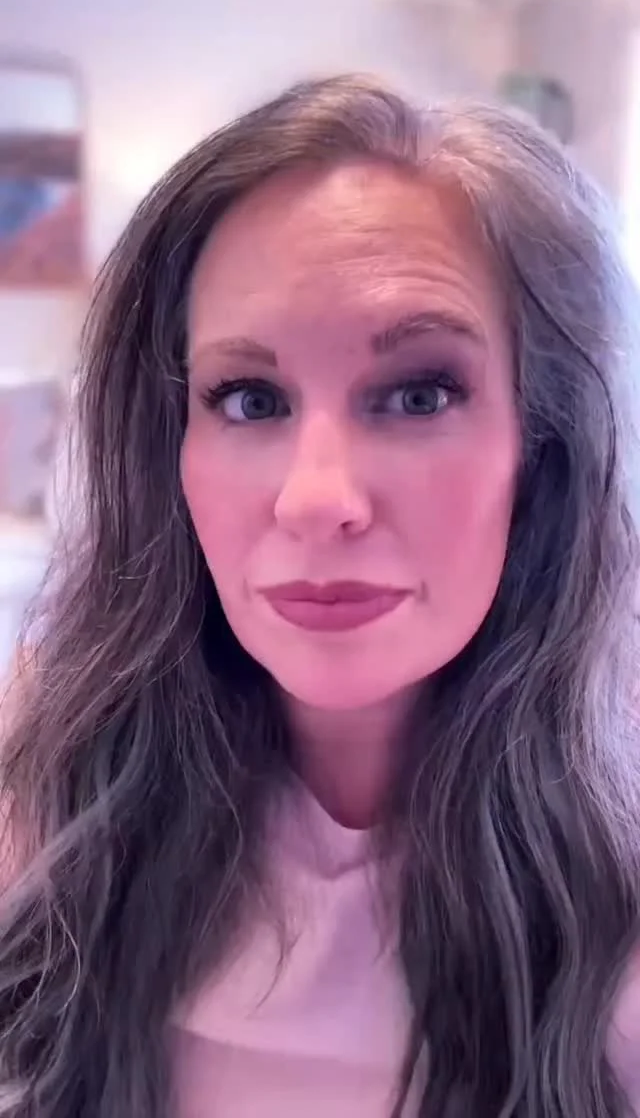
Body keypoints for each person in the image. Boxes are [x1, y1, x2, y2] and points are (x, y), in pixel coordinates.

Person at [0, 74, 639, 1118]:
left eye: (418, 393)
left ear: (544, 442)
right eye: (250, 399)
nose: (316, 499)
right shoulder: (44, 778)